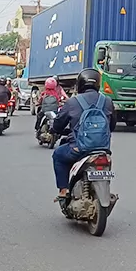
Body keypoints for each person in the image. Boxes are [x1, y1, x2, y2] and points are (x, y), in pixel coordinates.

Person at [51, 68, 114, 200]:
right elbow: (112, 125)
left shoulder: (72, 102)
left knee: (58, 155)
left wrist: (55, 130)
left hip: (79, 149)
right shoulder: (107, 101)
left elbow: (58, 125)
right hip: (103, 150)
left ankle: (63, 190)